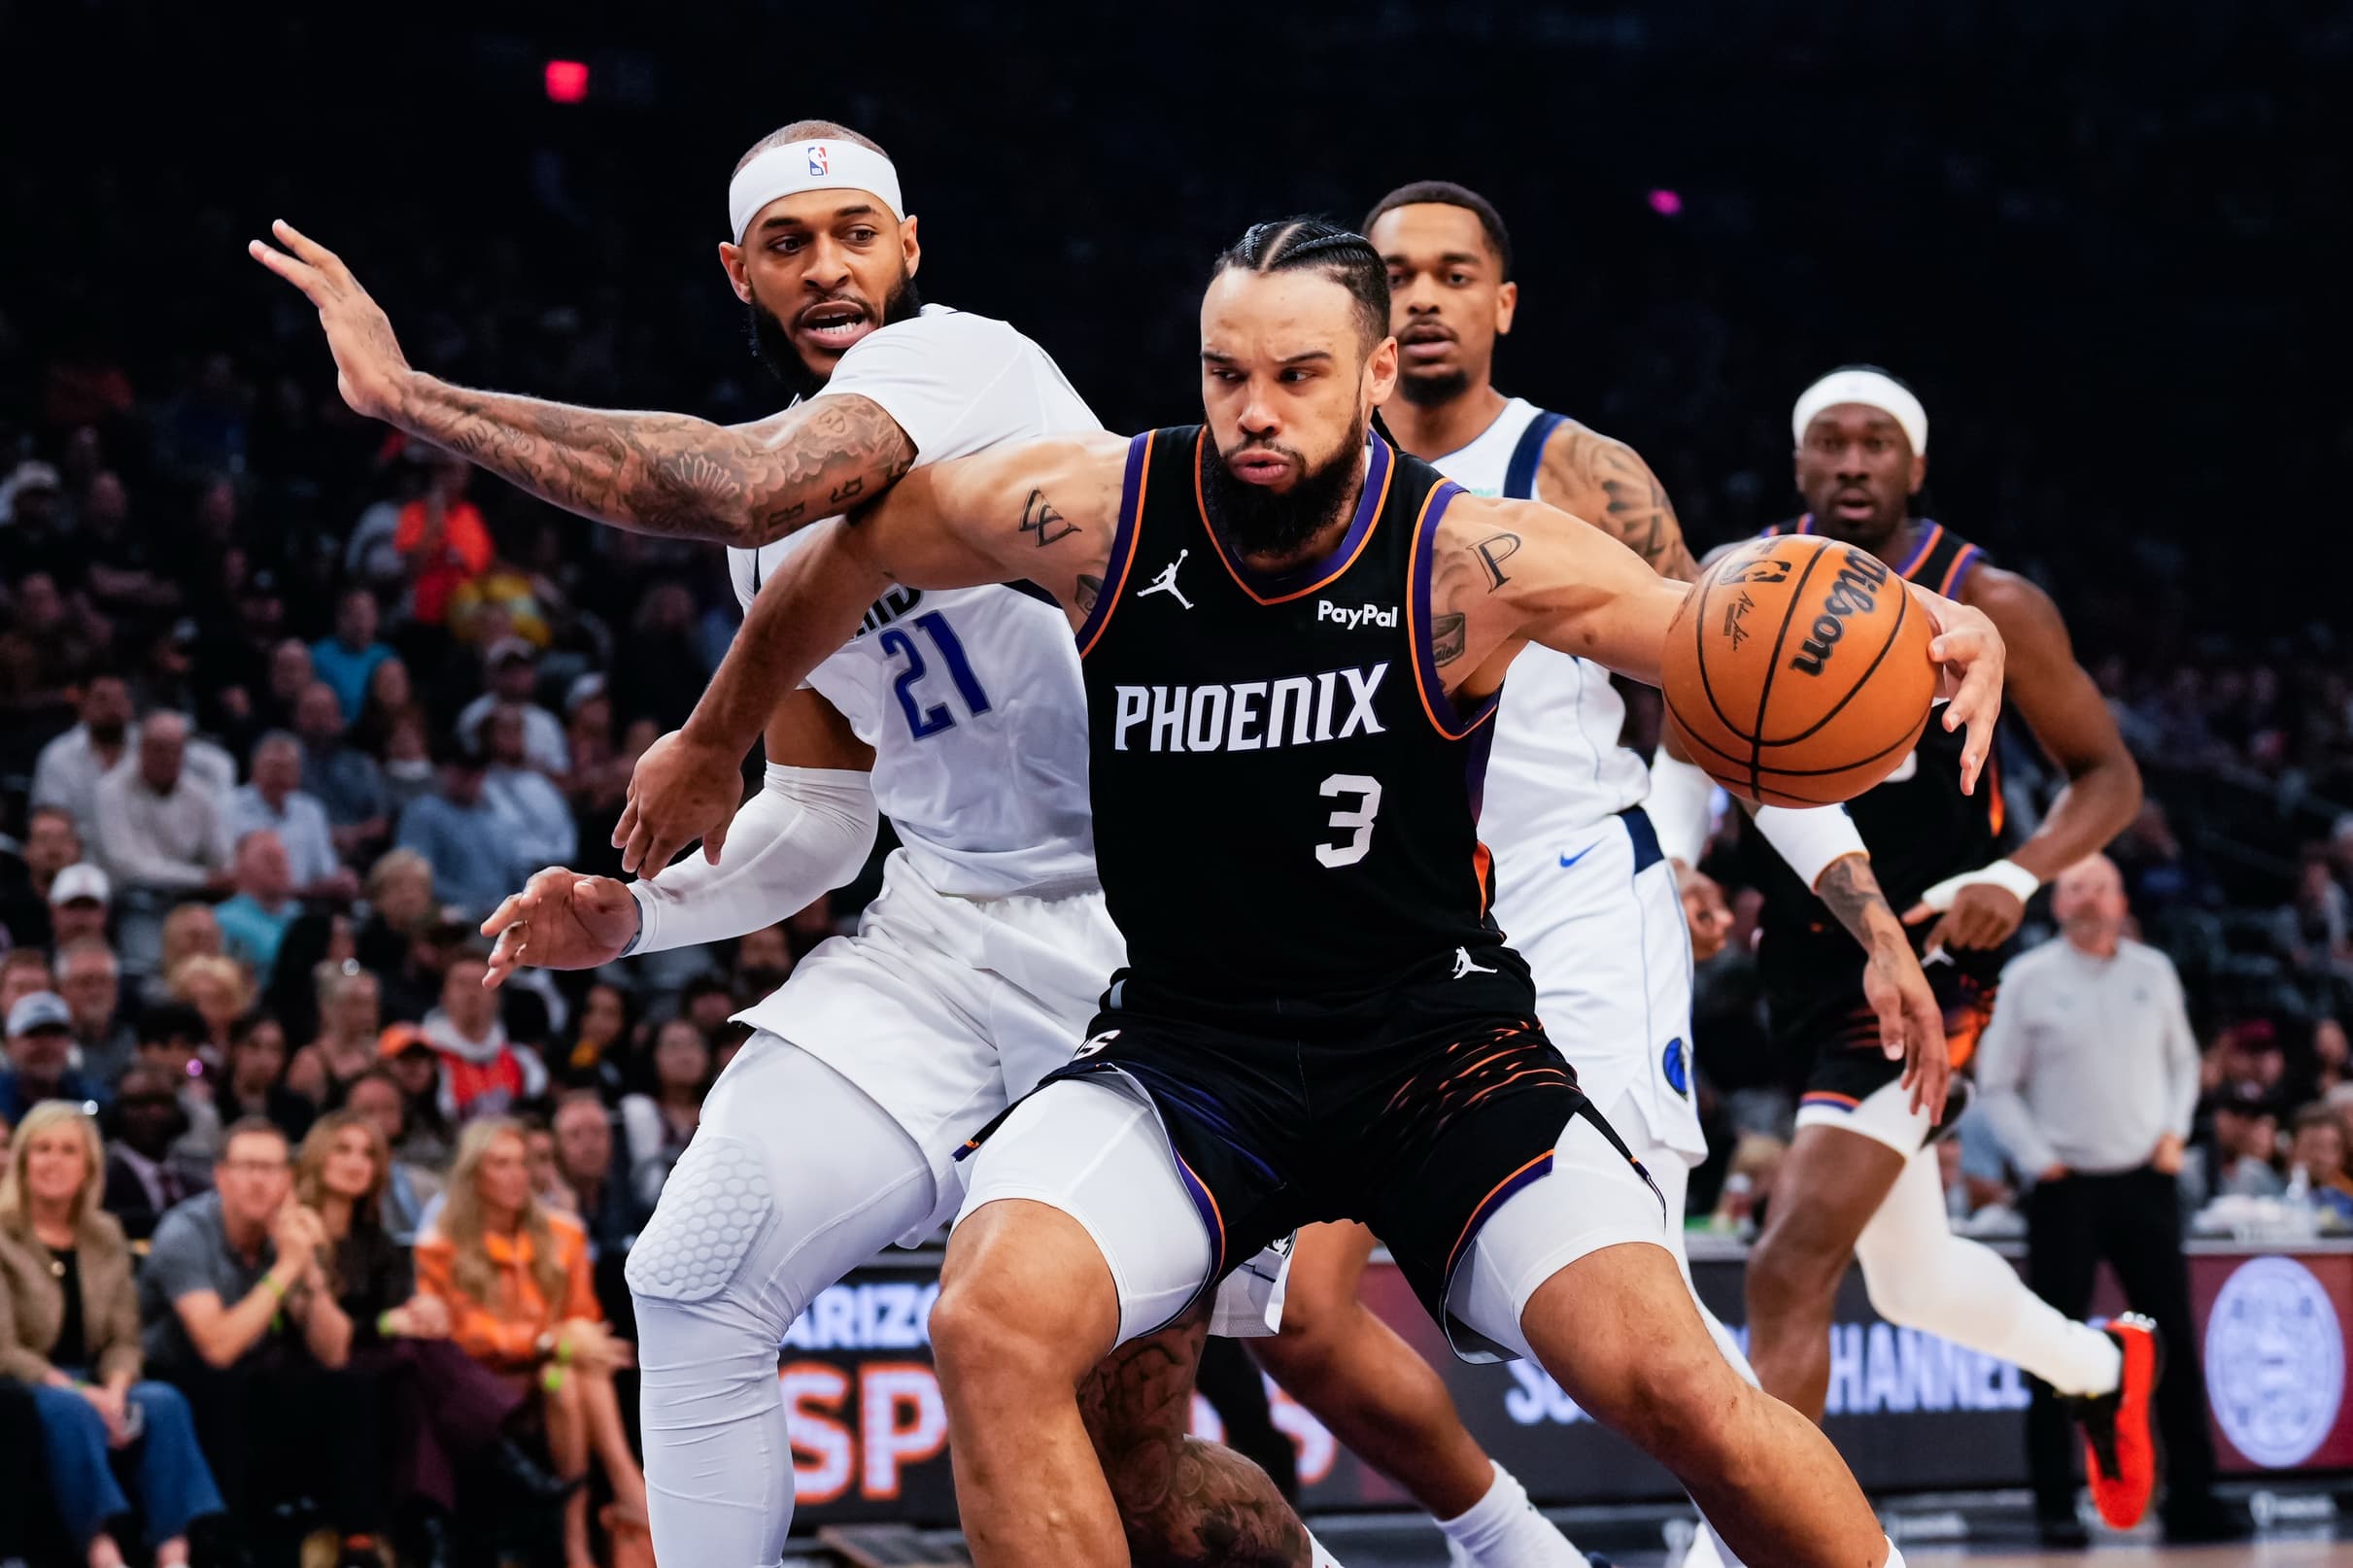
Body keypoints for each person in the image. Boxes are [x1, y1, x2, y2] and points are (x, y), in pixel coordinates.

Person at [620, 218, 2004, 1566]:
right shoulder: (1101, 513)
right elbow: (856, 542)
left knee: (1676, 1382)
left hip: (1436, 1055)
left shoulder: (1477, 555)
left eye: (1296, 376)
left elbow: (1719, 644)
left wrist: (1929, 621)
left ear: (1372, 377)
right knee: (989, 1321)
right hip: (1192, 1053)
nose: (1254, 412)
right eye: (1228, 375)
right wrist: (711, 733)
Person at [261, 120, 1338, 1567]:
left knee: (1140, 1472)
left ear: (909, 250)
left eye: (853, 234)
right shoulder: (764, 540)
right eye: (787, 244)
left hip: (1158, 947)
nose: (826, 267)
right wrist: (632, 917)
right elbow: (825, 820)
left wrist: (410, 398)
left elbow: (741, 480)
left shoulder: (968, 365)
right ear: (737, 272)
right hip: (946, 931)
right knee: (692, 1280)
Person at [1239, 180, 1772, 1568]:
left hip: (1573, 885)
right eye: (1395, 274)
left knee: (1632, 1318)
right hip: (1383, 920)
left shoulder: (1577, 471)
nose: (1420, 297)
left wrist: (1681, 845)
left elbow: (1709, 694)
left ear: (1501, 303)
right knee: (1294, 1312)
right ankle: (1512, 1546)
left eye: (1451, 274)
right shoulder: (1283, 478)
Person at [1724, 367, 2160, 1535]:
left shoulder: (1993, 600)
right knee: (1911, 1282)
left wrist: (2013, 877)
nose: (1853, 463)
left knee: (1786, 1266)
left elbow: (2109, 776)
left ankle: (1767, 1549)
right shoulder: (1743, 581)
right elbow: (1717, 753)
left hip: (1926, 965)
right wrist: (1703, 876)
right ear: (1799, 463)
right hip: (1801, 961)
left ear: (1916, 467)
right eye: (1830, 443)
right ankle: (2104, 1371)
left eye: (1877, 444)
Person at [1975, 854, 2245, 1543]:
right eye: (2074, 887)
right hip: (2067, 1189)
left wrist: (2174, 1133)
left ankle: (2194, 1498)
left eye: (2100, 884)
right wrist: (2039, 1161)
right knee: (2051, 1343)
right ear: (2057, 904)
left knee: (2174, 1343)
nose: (2089, 897)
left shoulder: (2152, 973)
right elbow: (1995, 1082)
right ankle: (2055, 1505)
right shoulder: (2027, 980)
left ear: (2124, 898)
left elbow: (2184, 1061)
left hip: (2145, 1180)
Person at [294, 1111, 573, 1561]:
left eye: (368, 1153)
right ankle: (502, 1456)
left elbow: (397, 1315)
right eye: (342, 1150)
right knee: (413, 1354)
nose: (356, 1162)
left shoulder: (378, 1241)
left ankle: (433, 1528)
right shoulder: (297, 1230)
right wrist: (390, 1324)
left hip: (385, 1365)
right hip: (313, 1369)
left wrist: (422, 1313)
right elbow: (331, 1345)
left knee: (415, 1373)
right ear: (317, 1157)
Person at [138, 1118, 387, 1568]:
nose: (259, 1181)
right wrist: (285, 1270)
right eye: (247, 1167)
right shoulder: (186, 1233)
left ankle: (358, 1544)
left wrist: (308, 1266)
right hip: (174, 1377)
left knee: (352, 1387)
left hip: (245, 1378)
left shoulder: (284, 1233)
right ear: (221, 1177)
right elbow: (216, 1346)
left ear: (288, 1181)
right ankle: (229, 1546)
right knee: (225, 1385)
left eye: (271, 1169)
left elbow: (334, 1352)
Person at [0, 1102, 226, 1568]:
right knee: (70, 1412)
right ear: (21, 1162)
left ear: (89, 1167)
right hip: (29, 1383)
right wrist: (85, 1394)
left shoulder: (105, 1235)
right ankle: (103, 1552)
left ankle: (174, 1553)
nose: (54, 1161)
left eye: (68, 1150)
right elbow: (4, 1349)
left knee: (163, 1402)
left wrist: (118, 1391)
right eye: (41, 1149)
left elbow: (125, 1337)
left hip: (97, 1378)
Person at [415, 1120, 647, 1568]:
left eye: (523, 1163)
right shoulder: (440, 1244)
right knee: (571, 1366)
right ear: (473, 1175)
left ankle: (576, 1533)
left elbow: (583, 1316)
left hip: (556, 1377)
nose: (517, 1174)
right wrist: (549, 1340)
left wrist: (562, 1342)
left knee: (566, 1380)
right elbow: (467, 1336)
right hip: (484, 1387)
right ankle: (629, 1491)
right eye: (500, 1164)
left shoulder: (564, 1234)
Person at [89, 711, 234, 905]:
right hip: (132, 901)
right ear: (141, 748)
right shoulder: (110, 790)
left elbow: (223, 855)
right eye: (158, 749)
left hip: (192, 898)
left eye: (175, 750)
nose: (167, 758)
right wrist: (203, 878)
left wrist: (228, 874)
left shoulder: (200, 793)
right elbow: (126, 866)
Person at [418, 953, 547, 1125]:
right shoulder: (423, 1059)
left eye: (482, 983)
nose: (471, 993)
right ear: (443, 995)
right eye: (461, 983)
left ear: (498, 997)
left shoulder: (523, 1063)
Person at [227, 732, 354, 902]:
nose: (279, 775)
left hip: (303, 903)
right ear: (254, 767)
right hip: (245, 901)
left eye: (287, 768)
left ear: (298, 773)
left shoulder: (311, 810)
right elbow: (226, 870)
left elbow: (325, 870)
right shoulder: (228, 805)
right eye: (273, 766)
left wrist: (340, 881)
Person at [98, 1064, 212, 1244]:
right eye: (140, 1104)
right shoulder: (100, 1179)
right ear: (117, 1112)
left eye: (163, 1102)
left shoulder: (199, 1177)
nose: (154, 1112)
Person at [295, 679, 393, 865]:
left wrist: (348, 835)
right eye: (311, 712)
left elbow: (381, 823)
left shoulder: (362, 765)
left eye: (326, 712)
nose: (319, 721)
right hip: (303, 858)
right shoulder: (289, 764)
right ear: (297, 717)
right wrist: (327, 836)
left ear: (339, 718)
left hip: (360, 859)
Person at [616, 1018, 707, 1211]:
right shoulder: (635, 1114)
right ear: (653, 1056)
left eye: (693, 1045)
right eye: (673, 1047)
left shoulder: (719, 1110)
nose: (686, 1056)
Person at [288, 964, 385, 1109]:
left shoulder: (376, 1056)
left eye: (371, 1004)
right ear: (331, 1006)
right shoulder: (311, 1062)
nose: (368, 1013)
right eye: (357, 1003)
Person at [1, 991, 107, 1123]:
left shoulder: (93, 1099)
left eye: (56, 1033)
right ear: (9, 1044)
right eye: (34, 1033)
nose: (47, 1045)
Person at [212, 830, 301, 986]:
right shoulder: (220, 922)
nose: (279, 866)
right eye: (269, 859)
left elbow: (347, 967)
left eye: (283, 859)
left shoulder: (304, 917)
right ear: (240, 867)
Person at [56, 937, 137, 1091]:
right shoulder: (50, 1048)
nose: (95, 992)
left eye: (103, 981)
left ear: (116, 988)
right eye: (84, 982)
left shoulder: (135, 1046)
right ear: (62, 989)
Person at [311, 587, 394, 728]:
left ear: (376, 618)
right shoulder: (318, 655)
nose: (360, 623)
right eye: (354, 614)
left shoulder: (386, 657)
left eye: (366, 614)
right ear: (340, 618)